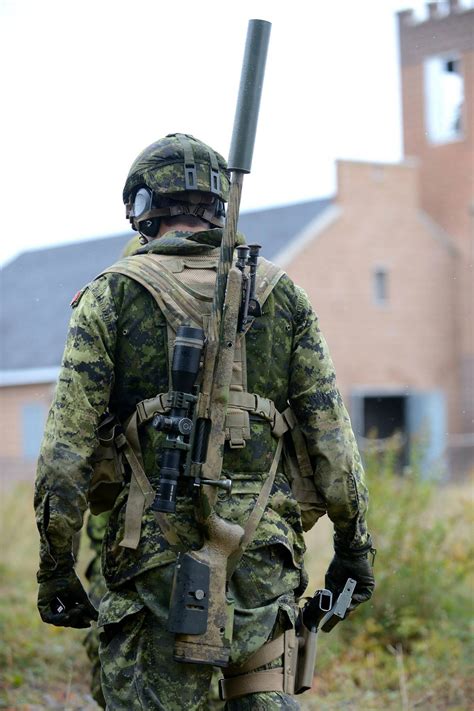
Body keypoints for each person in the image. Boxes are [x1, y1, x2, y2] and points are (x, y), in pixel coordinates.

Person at [34, 133, 375, 710]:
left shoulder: (111, 297)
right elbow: (334, 444)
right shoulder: (282, 295)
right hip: (264, 563)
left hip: (153, 569)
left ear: (141, 209)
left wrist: (57, 570)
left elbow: (65, 457)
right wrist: (355, 548)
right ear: (219, 207)